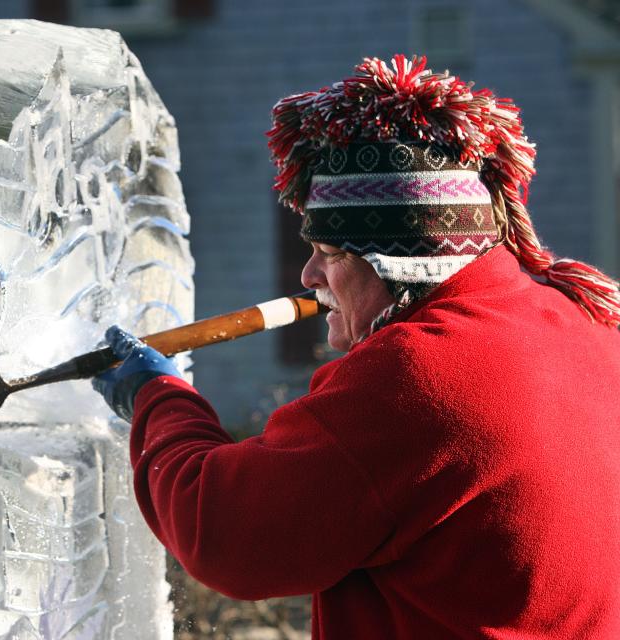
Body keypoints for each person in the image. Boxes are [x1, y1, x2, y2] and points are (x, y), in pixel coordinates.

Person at [92, 55, 620, 639]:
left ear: (402, 262)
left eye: (333, 252)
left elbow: (221, 533)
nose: (310, 275)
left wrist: (156, 397)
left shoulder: (418, 374)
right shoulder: (579, 320)